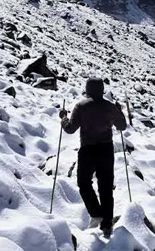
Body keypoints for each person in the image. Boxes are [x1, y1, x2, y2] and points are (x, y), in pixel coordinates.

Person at [59, 77, 127, 237]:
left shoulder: (81, 106)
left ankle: (96, 213)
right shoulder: (109, 106)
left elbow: (70, 129)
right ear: (102, 90)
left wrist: (63, 118)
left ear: (87, 89)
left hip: (87, 150)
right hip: (106, 150)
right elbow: (122, 126)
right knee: (106, 186)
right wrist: (119, 112)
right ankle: (107, 223)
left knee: (84, 183)